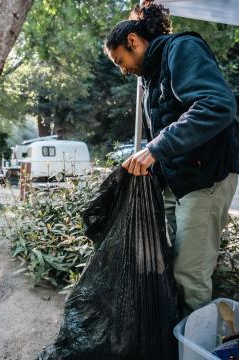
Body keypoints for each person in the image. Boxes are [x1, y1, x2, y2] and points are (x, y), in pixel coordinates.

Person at [104, 0, 239, 314]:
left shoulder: (182, 49)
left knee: (188, 275)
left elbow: (217, 105)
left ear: (133, 41)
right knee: (172, 265)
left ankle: (194, 346)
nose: (123, 70)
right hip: (180, 183)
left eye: (120, 60)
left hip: (207, 178)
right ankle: (179, 332)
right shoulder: (151, 78)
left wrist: (153, 149)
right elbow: (169, 129)